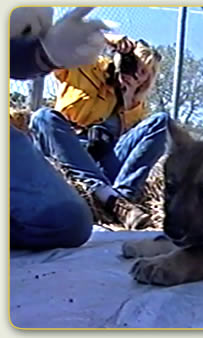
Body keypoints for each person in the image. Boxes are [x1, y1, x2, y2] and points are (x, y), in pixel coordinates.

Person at [28, 33, 169, 231]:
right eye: (134, 63)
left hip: (104, 160)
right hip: (68, 150)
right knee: (43, 117)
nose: (136, 73)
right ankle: (109, 199)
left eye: (144, 72)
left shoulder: (136, 106)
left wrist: (126, 101)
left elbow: (131, 153)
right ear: (121, 56)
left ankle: (121, 200)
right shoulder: (88, 67)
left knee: (163, 122)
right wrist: (105, 39)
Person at [10, 7, 109, 249]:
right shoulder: (95, 68)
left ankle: (114, 198)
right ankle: (106, 195)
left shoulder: (130, 101)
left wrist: (41, 55)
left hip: (97, 150)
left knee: (68, 222)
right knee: (46, 117)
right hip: (70, 136)